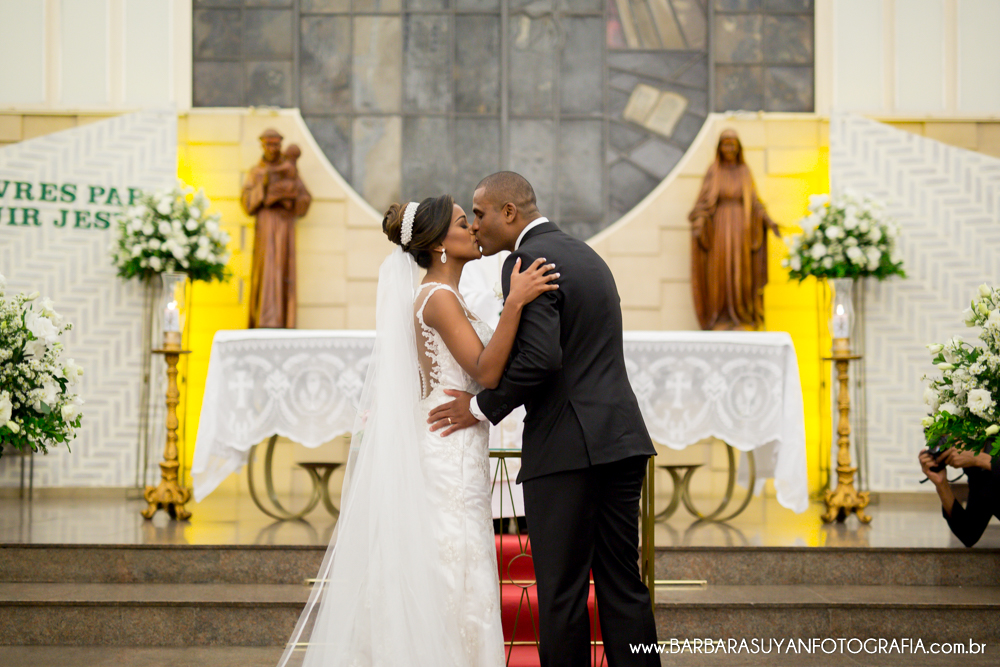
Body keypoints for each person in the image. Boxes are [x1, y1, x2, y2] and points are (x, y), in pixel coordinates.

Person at [276, 194, 558, 667]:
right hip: (447, 453)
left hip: (457, 444)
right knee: (452, 567)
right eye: (464, 223)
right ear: (439, 245)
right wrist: (514, 302)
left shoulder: (446, 295)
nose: (473, 230)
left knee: (459, 565)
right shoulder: (438, 298)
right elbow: (486, 371)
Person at [429, 172, 660, 667]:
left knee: (561, 592)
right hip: (621, 440)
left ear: (509, 212)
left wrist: (479, 408)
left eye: (481, 213)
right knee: (624, 585)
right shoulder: (586, 255)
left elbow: (540, 360)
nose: (476, 225)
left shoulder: (525, 261)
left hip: (566, 450)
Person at [688, 129, 780, 331]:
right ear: (719, 148)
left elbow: (755, 202)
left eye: (732, 144)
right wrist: (700, 221)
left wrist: (769, 221)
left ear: (738, 148)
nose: (729, 148)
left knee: (741, 272)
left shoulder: (744, 171)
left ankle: (742, 317)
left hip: (741, 229)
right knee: (720, 272)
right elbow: (703, 203)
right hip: (719, 229)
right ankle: (719, 317)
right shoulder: (714, 171)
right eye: (725, 144)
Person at [241, 129, 311, 329]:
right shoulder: (256, 172)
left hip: (284, 226)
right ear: (262, 146)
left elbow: (304, 198)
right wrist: (263, 188)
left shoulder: (289, 170)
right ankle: (263, 320)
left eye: (276, 145)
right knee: (266, 270)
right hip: (265, 226)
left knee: (282, 269)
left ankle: (283, 320)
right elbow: (246, 202)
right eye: (268, 144)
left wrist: (291, 196)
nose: (272, 149)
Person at [919, 447, 1000, 548]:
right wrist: (942, 484)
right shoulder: (979, 473)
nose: (951, 448)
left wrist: (980, 459)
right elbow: (969, 534)